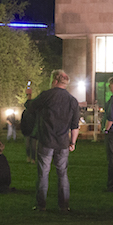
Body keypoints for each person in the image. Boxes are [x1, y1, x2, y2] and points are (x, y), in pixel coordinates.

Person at [30, 69, 80, 212]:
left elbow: (31, 108)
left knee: (43, 173)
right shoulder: (72, 100)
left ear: (54, 80)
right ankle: (64, 205)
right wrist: (73, 142)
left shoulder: (46, 96)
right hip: (63, 142)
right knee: (62, 173)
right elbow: (75, 126)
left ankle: (41, 205)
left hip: (46, 140)